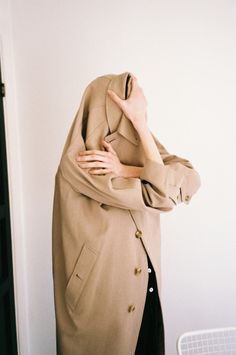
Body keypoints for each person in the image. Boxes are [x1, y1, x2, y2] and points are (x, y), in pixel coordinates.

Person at [52, 71, 201, 355]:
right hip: (103, 297)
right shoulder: (82, 163)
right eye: (129, 101)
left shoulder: (138, 150)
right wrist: (143, 165)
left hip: (147, 288)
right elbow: (163, 194)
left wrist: (128, 164)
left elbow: (191, 179)